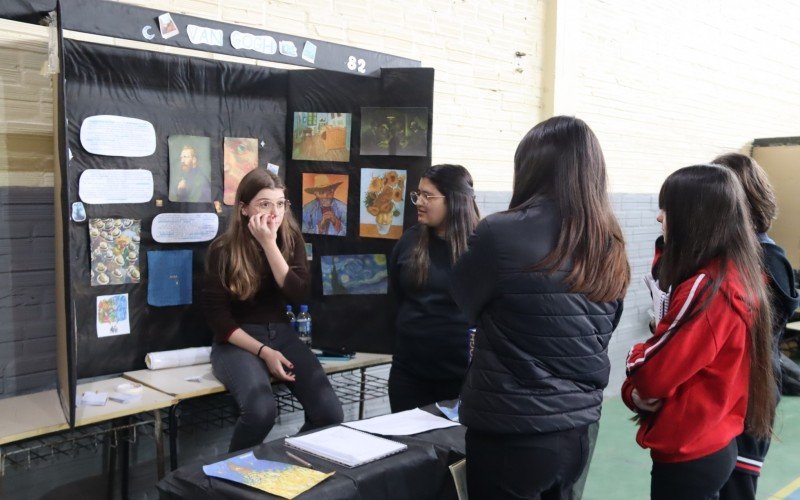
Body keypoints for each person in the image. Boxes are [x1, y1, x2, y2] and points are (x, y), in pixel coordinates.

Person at [451, 116, 630, 499]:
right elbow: (607, 323)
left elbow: (463, 302)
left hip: (513, 432)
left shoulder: (500, 231)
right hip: (577, 432)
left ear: (529, 167)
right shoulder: (609, 239)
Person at [622, 165, 777, 499]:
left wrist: (633, 361)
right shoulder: (737, 272)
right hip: (714, 439)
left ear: (695, 217)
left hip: (691, 450)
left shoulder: (708, 287)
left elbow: (652, 376)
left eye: (668, 210)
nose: (660, 218)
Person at [201, 168, 343, 452]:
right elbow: (220, 322)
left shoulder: (290, 241)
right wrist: (264, 352)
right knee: (261, 412)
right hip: (237, 341)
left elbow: (297, 293)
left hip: (281, 334)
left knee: (330, 414)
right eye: (264, 204)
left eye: (280, 204)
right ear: (244, 209)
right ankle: (229, 481)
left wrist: (269, 244)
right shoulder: (223, 250)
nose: (275, 212)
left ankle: (285, 465)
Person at [711, 154, 799, 500]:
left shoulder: (767, 259)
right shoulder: (727, 254)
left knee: (736, 485)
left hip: (748, 400)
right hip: (721, 399)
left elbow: (749, 336)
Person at [387, 164, 480, 412]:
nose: (419, 201)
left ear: (455, 201)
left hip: (462, 377)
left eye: (428, 196)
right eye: (418, 194)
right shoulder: (410, 240)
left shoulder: (480, 248)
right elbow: (397, 295)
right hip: (409, 373)